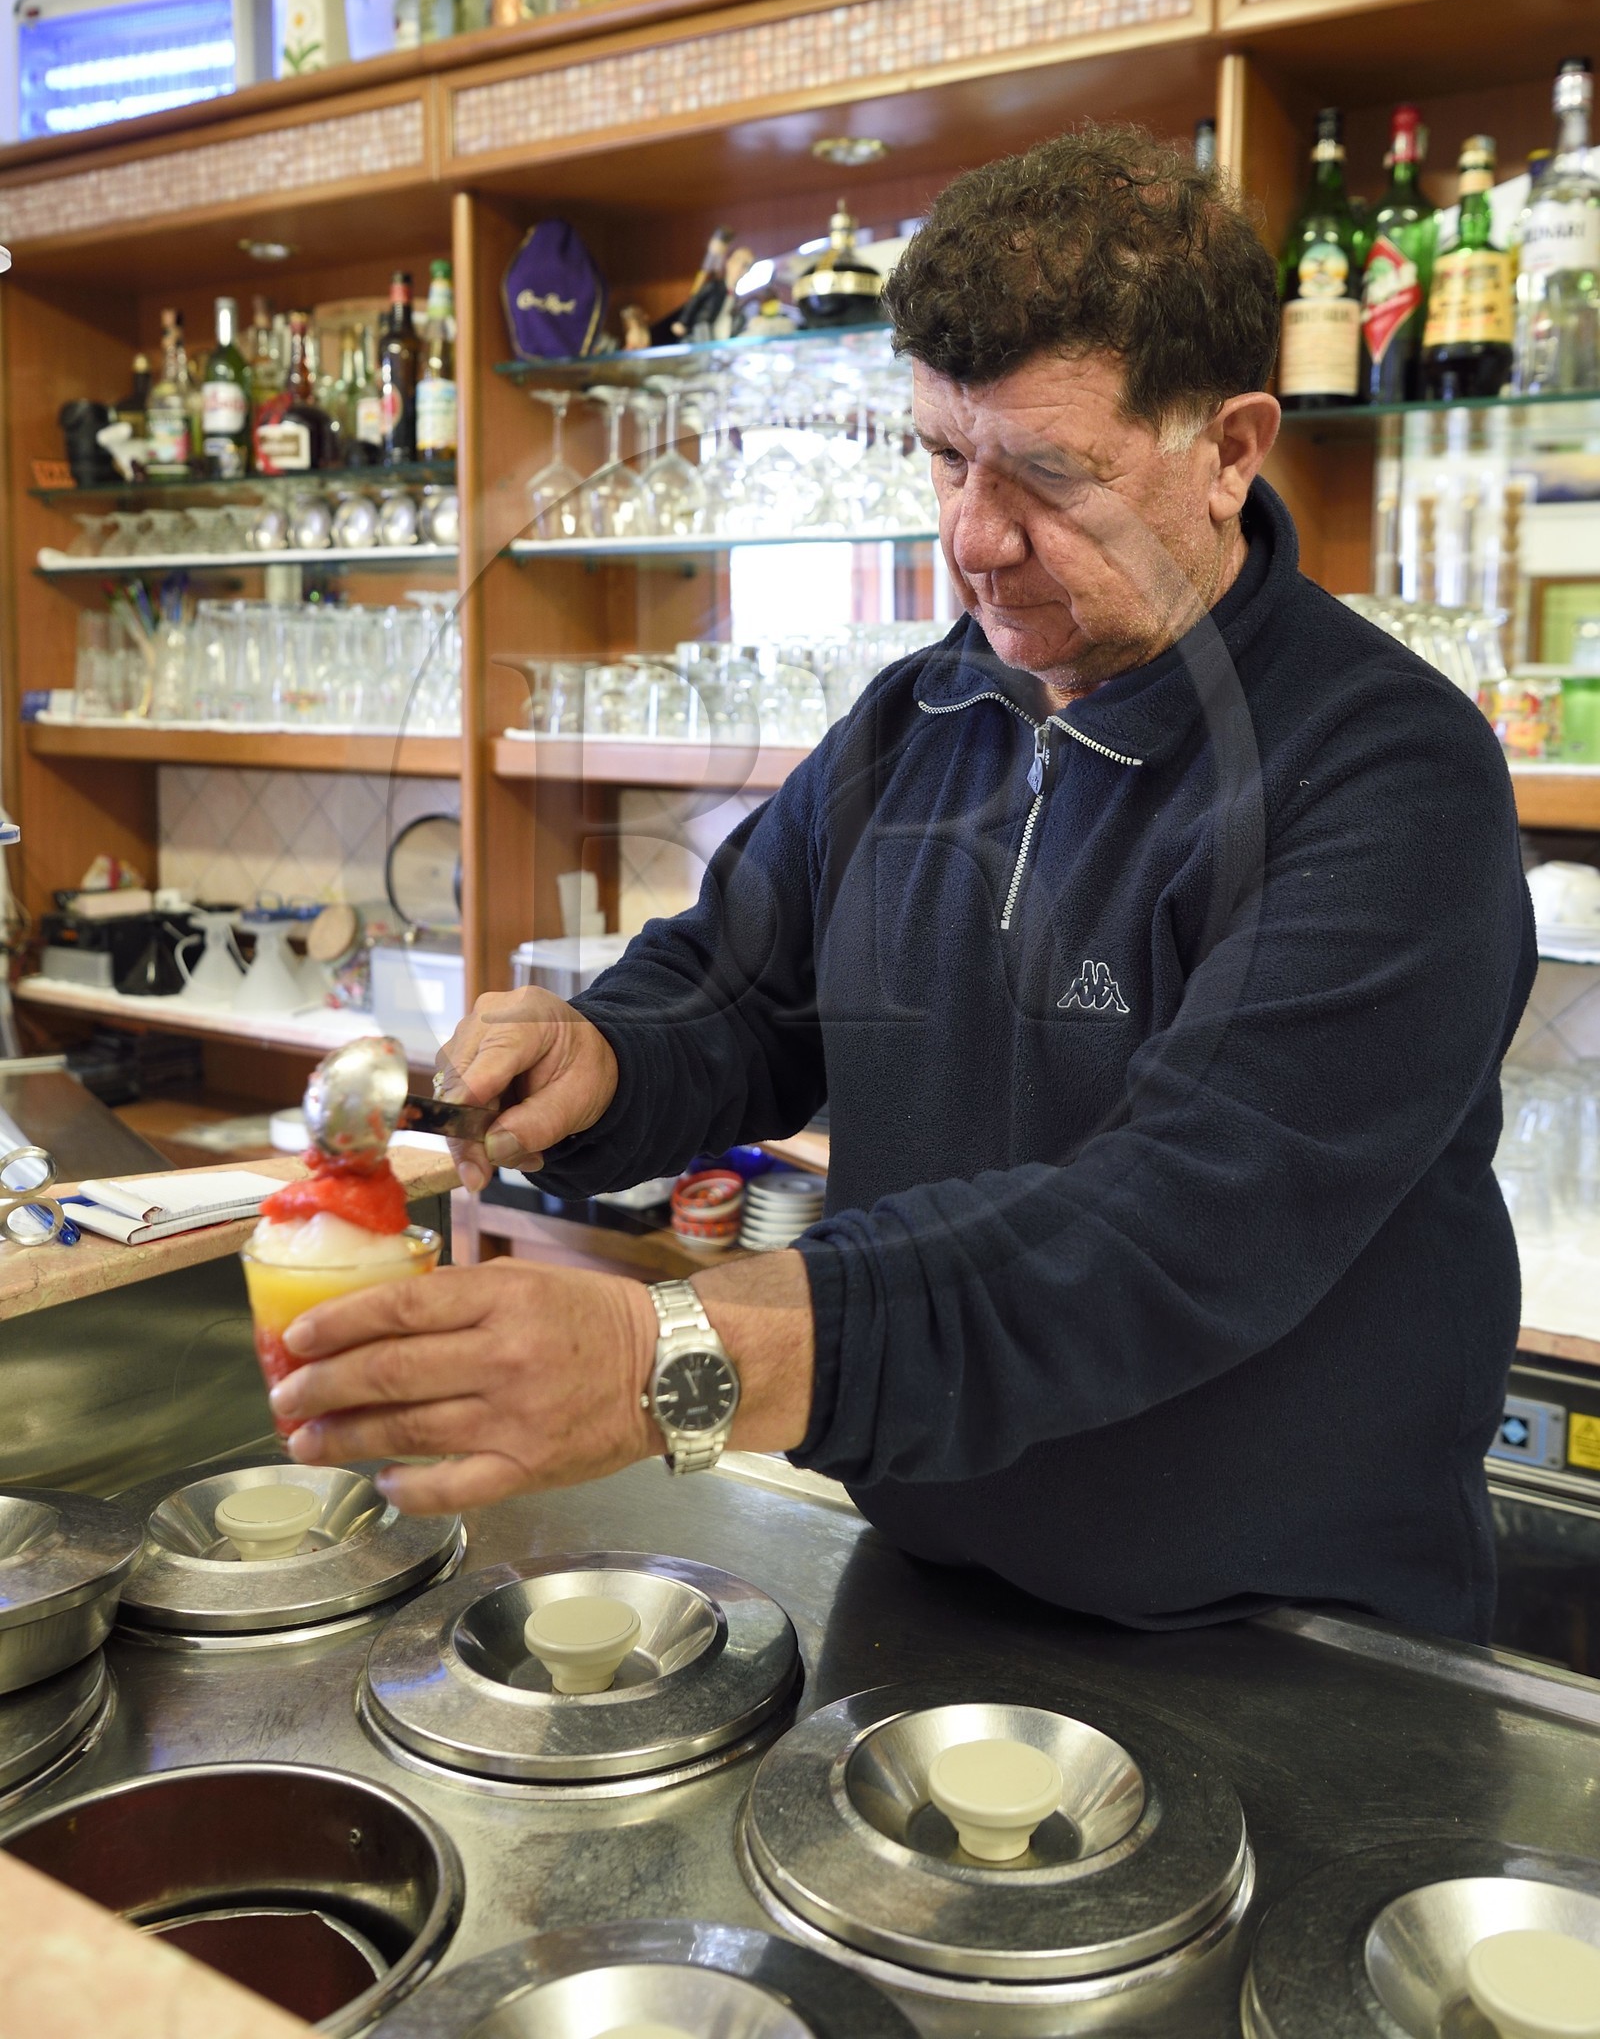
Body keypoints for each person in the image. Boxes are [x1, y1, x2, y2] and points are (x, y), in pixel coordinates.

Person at [270, 128, 1534, 1640]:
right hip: (927, 1582)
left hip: (1287, 1641)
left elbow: (1158, 1237)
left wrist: (663, 1355)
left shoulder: (1388, 773)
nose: (972, 537)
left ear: (1231, 449)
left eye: (1050, 475)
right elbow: (740, 989)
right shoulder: (922, 711)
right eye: (943, 453)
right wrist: (599, 1057)